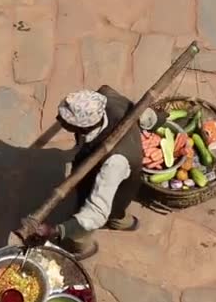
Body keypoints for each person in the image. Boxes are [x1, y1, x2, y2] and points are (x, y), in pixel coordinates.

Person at [31, 85, 167, 260]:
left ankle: (82, 248)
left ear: (83, 128)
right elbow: (140, 113)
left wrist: (57, 230)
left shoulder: (115, 162)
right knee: (118, 211)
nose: (58, 119)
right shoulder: (106, 98)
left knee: (90, 222)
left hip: (117, 185)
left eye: (65, 121)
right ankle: (124, 222)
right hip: (115, 178)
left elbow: (96, 212)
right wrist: (155, 120)